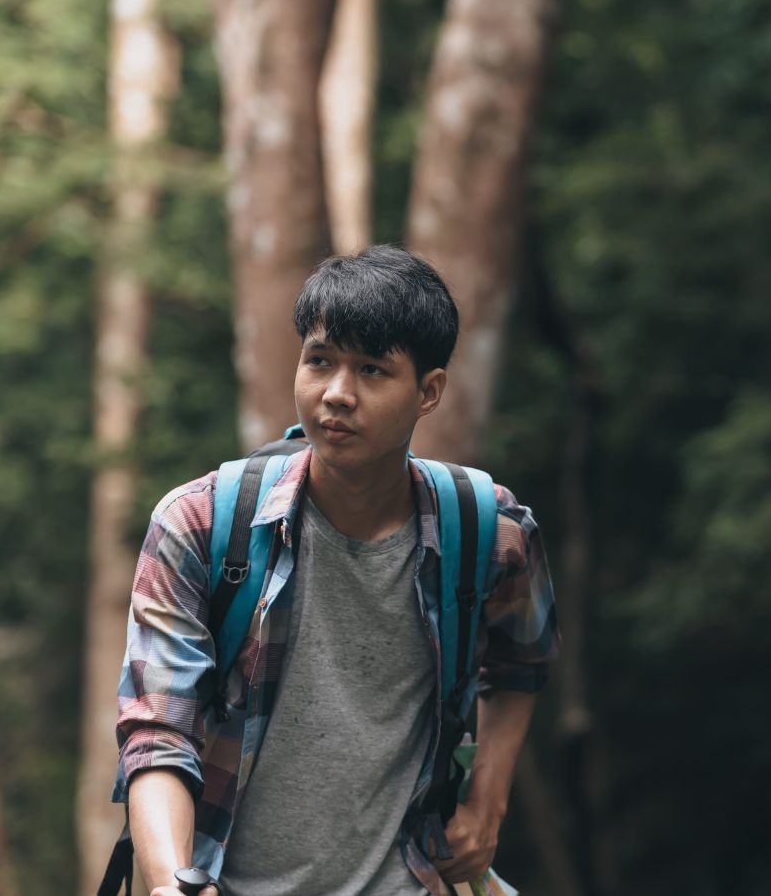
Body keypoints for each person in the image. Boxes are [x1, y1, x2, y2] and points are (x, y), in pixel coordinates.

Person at [110, 245, 559, 896]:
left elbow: (524, 659)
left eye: (373, 370)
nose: (336, 394)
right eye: (319, 361)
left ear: (428, 392)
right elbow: (157, 730)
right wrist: (169, 885)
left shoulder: (492, 532)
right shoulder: (202, 525)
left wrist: (487, 803)